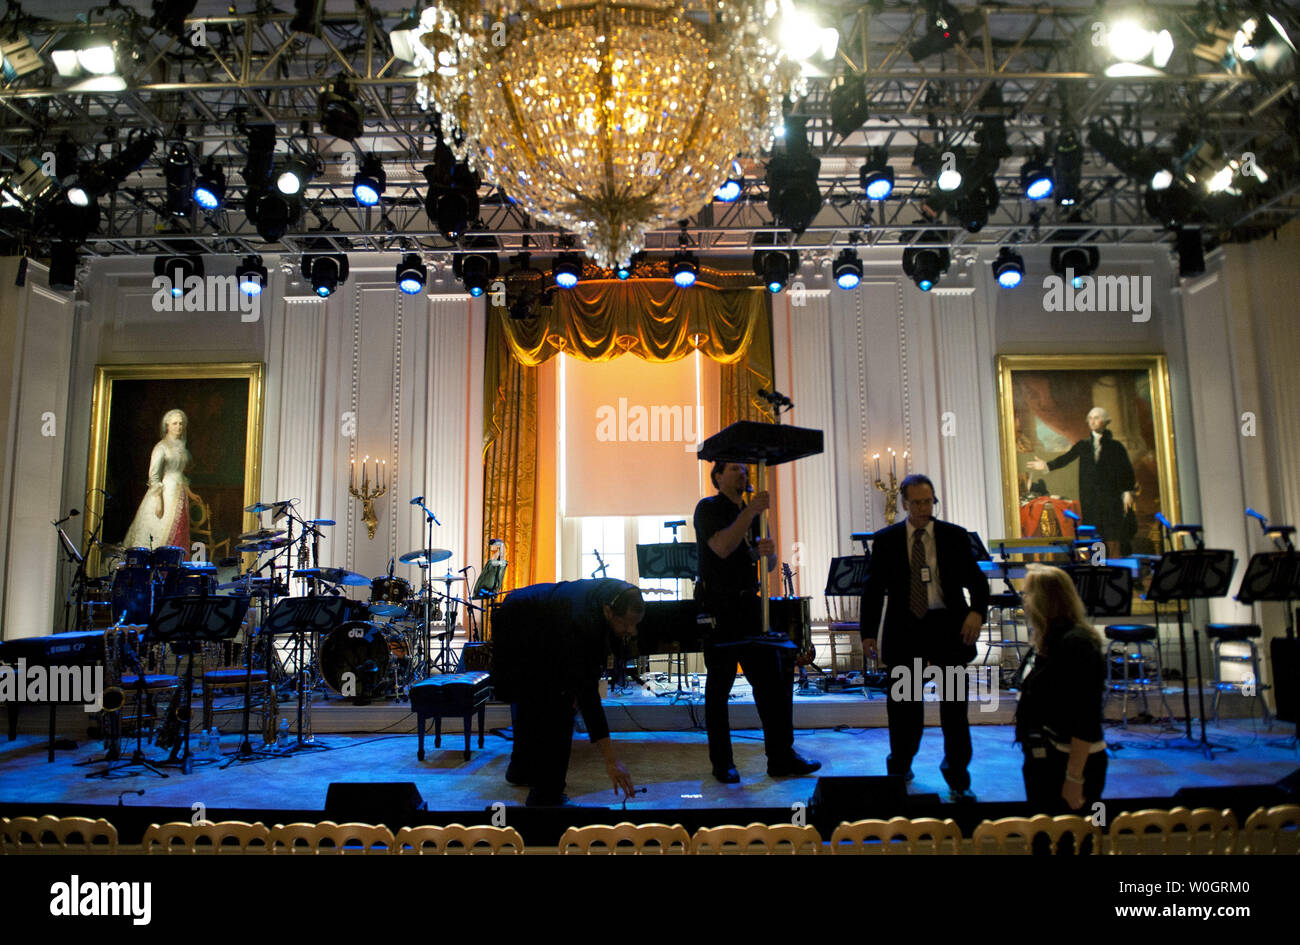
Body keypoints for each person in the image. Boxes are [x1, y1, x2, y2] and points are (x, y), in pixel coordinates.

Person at [858, 473, 989, 801]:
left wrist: (977, 613)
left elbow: (978, 582)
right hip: (906, 633)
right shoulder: (887, 540)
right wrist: (868, 634)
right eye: (916, 502)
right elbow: (872, 590)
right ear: (903, 503)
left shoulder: (955, 536)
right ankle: (900, 766)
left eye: (928, 501)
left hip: (949, 632)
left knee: (955, 710)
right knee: (904, 709)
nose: (922, 507)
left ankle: (958, 776)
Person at [694, 461, 820, 783]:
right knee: (719, 687)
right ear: (718, 476)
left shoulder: (753, 515)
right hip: (718, 607)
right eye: (735, 469)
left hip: (751, 605)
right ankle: (722, 762)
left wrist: (770, 552)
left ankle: (780, 756)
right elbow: (721, 548)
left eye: (744, 469)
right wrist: (750, 513)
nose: (743, 473)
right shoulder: (708, 508)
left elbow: (768, 563)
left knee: (771, 684)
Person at [490, 578, 642, 806]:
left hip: (532, 620)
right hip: (519, 628)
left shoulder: (616, 596)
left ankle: (520, 770)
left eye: (635, 624)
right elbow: (588, 695)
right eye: (626, 624)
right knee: (557, 711)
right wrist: (611, 760)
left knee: (534, 701)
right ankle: (546, 797)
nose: (631, 631)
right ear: (609, 611)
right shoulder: (583, 620)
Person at [1014, 564, 1107, 853]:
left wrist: (1074, 778)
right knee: (1043, 843)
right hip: (1043, 761)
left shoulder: (1078, 645)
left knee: (1074, 844)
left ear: (1046, 600)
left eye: (1027, 594)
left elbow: (1086, 718)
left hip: (1070, 764)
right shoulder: (1045, 640)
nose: (1023, 599)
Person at [1026, 406, 1136, 556]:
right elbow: (1066, 458)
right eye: (1090, 418)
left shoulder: (1116, 447)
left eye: (1096, 418)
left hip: (1112, 499)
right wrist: (1046, 465)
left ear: (1105, 421)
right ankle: (1099, 571)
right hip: (1091, 499)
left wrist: (1127, 491)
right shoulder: (1083, 445)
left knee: (1113, 536)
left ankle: (1116, 570)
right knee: (1095, 536)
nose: (1092, 421)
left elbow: (1126, 471)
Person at [122, 408, 195, 551]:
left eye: (181, 424)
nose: (179, 427)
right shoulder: (161, 447)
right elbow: (154, 476)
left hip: (179, 494)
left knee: (180, 529)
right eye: (175, 423)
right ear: (167, 425)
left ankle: (176, 566)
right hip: (165, 493)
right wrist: (159, 501)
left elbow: (180, 474)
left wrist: (191, 493)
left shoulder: (181, 447)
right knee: (160, 531)